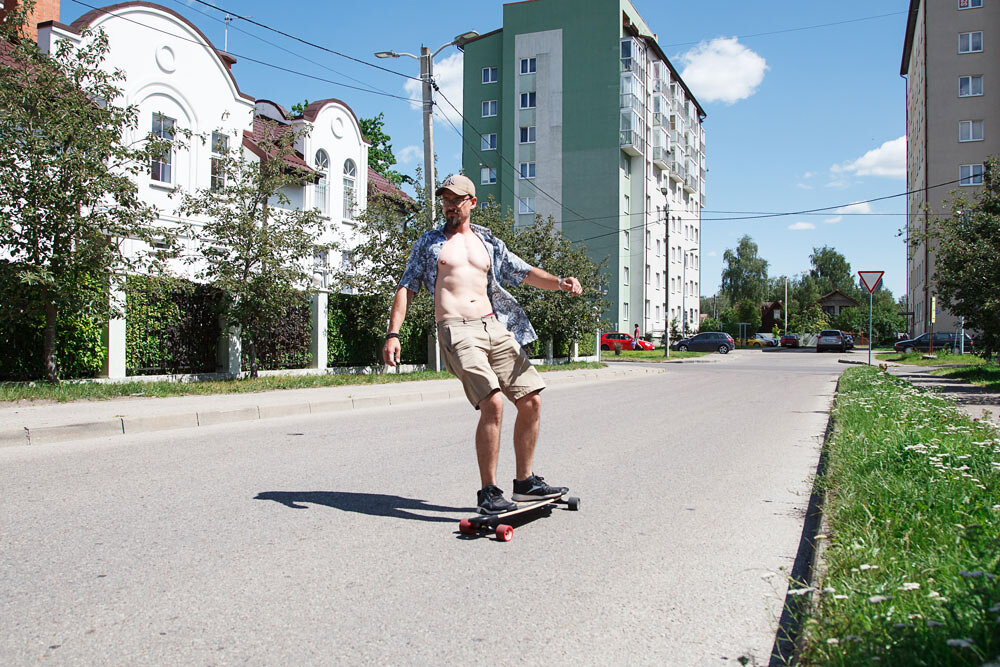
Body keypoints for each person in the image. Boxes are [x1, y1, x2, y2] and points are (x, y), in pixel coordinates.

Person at [382, 174, 583, 515]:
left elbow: (525, 272)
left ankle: (525, 482)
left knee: (531, 400)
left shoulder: (488, 243)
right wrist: (393, 333)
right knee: (493, 403)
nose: (449, 205)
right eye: (445, 199)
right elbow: (407, 287)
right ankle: (489, 491)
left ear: (472, 203)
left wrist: (561, 283)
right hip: (456, 329)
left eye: (456, 199)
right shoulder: (429, 243)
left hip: (493, 326)